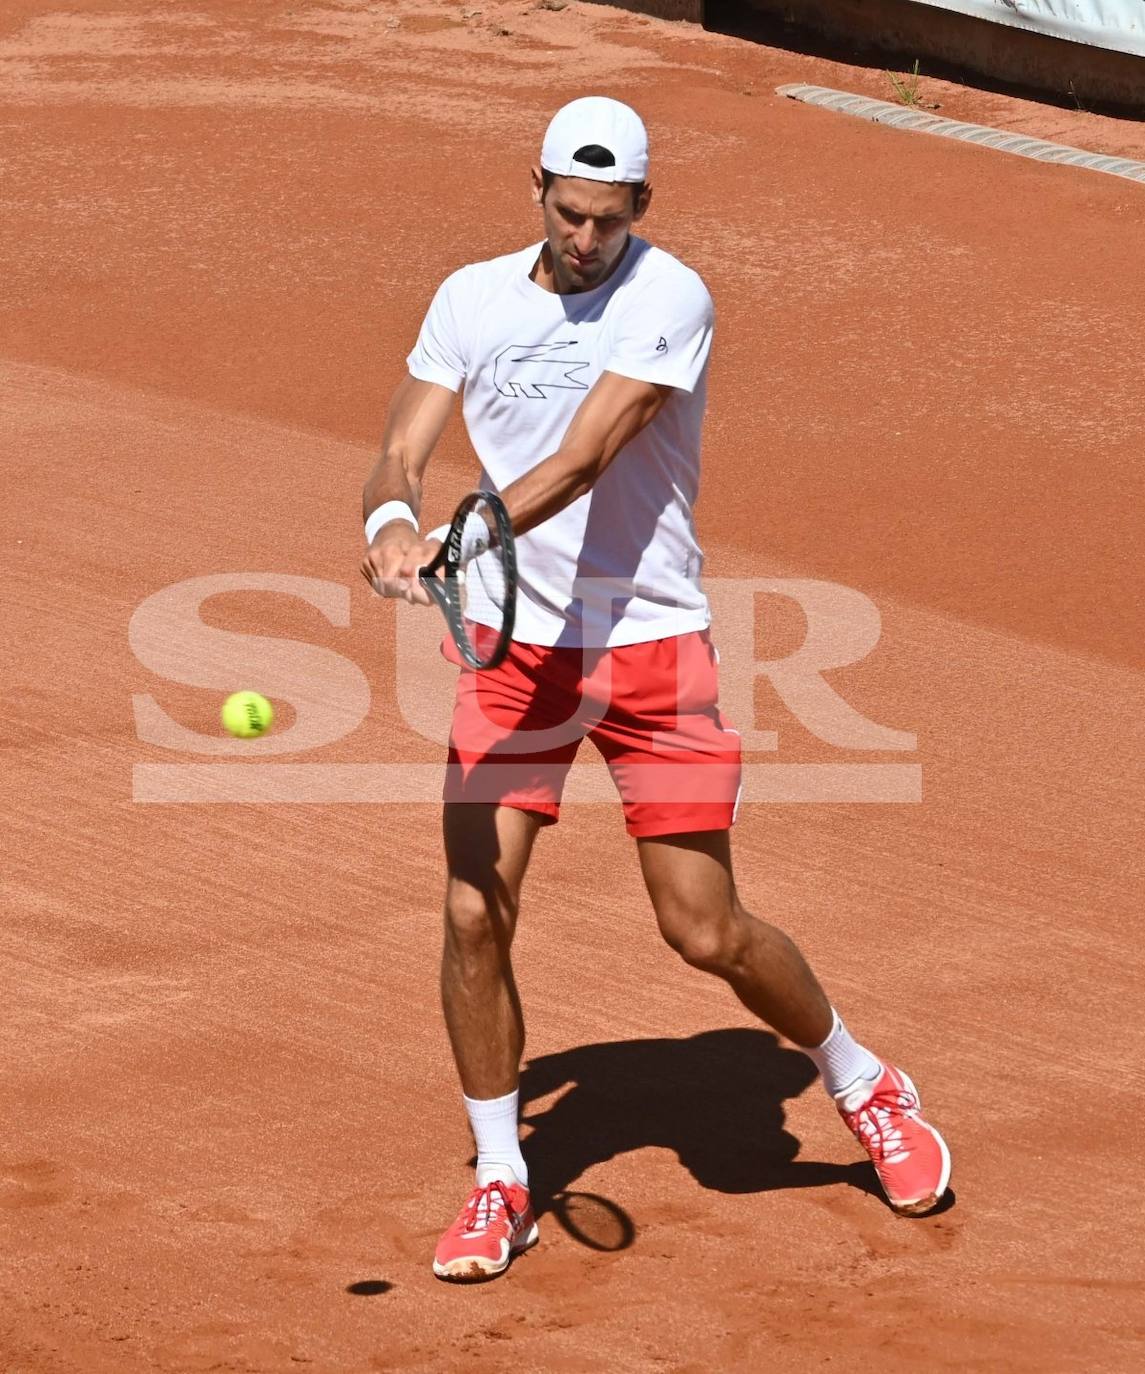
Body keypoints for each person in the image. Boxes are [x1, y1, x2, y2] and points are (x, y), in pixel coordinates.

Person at [360, 96, 950, 1283]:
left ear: (643, 206)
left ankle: (858, 1079)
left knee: (701, 928)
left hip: (649, 645)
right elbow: (402, 440)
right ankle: (500, 1176)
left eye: (608, 218)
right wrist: (386, 515)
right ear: (535, 187)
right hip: (516, 651)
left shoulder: (668, 296)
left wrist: (458, 534)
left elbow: (584, 455)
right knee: (474, 909)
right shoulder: (468, 297)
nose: (585, 239)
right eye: (568, 214)